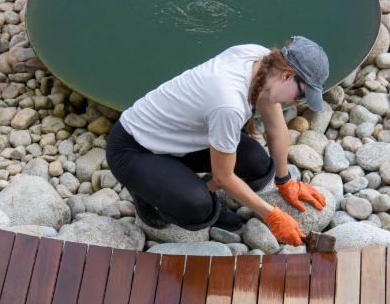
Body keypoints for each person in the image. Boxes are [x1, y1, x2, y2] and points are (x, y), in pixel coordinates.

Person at [106, 36, 330, 246]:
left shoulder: (260, 59)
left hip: (177, 140)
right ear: (287, 75)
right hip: (132, 149)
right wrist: (272, 216)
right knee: (197, 207)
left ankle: (179, 180)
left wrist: (285, 181)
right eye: (301, 95)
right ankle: (147, 195)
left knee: (258, 164)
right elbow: (224, 176)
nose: (298, 102)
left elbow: (276, 128)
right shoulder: (228, 103)